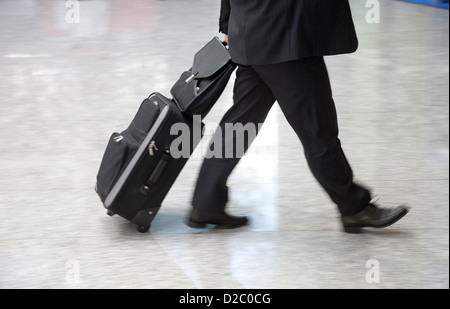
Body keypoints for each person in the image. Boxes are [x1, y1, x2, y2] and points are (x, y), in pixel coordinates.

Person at [185, 0, 409, 233]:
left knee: (238, 127)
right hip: (288, 43)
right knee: (318, 132)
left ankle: (205, 203)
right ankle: (354, 208)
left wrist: (227, 26)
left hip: (249, 35)